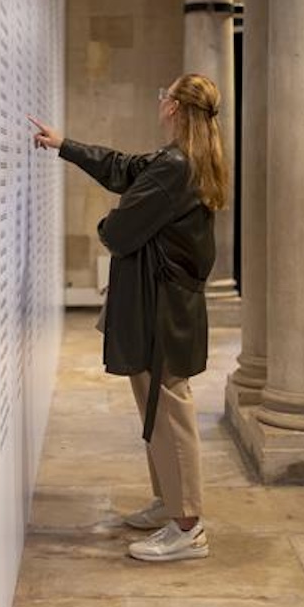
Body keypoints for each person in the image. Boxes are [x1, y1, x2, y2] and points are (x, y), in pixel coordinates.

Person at [27, 73, 227, 562]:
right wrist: (64, 145)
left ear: (176, 109)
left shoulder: (175, 167)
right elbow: (121, 167)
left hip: (163, 309)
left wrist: (104, 223)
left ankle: (188, 528)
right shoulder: (179, 161)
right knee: (157, 409)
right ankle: (171, 505)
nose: (159, 102)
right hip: (162, 304)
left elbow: (118, 231)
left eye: (164, 96)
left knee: (169, 408)